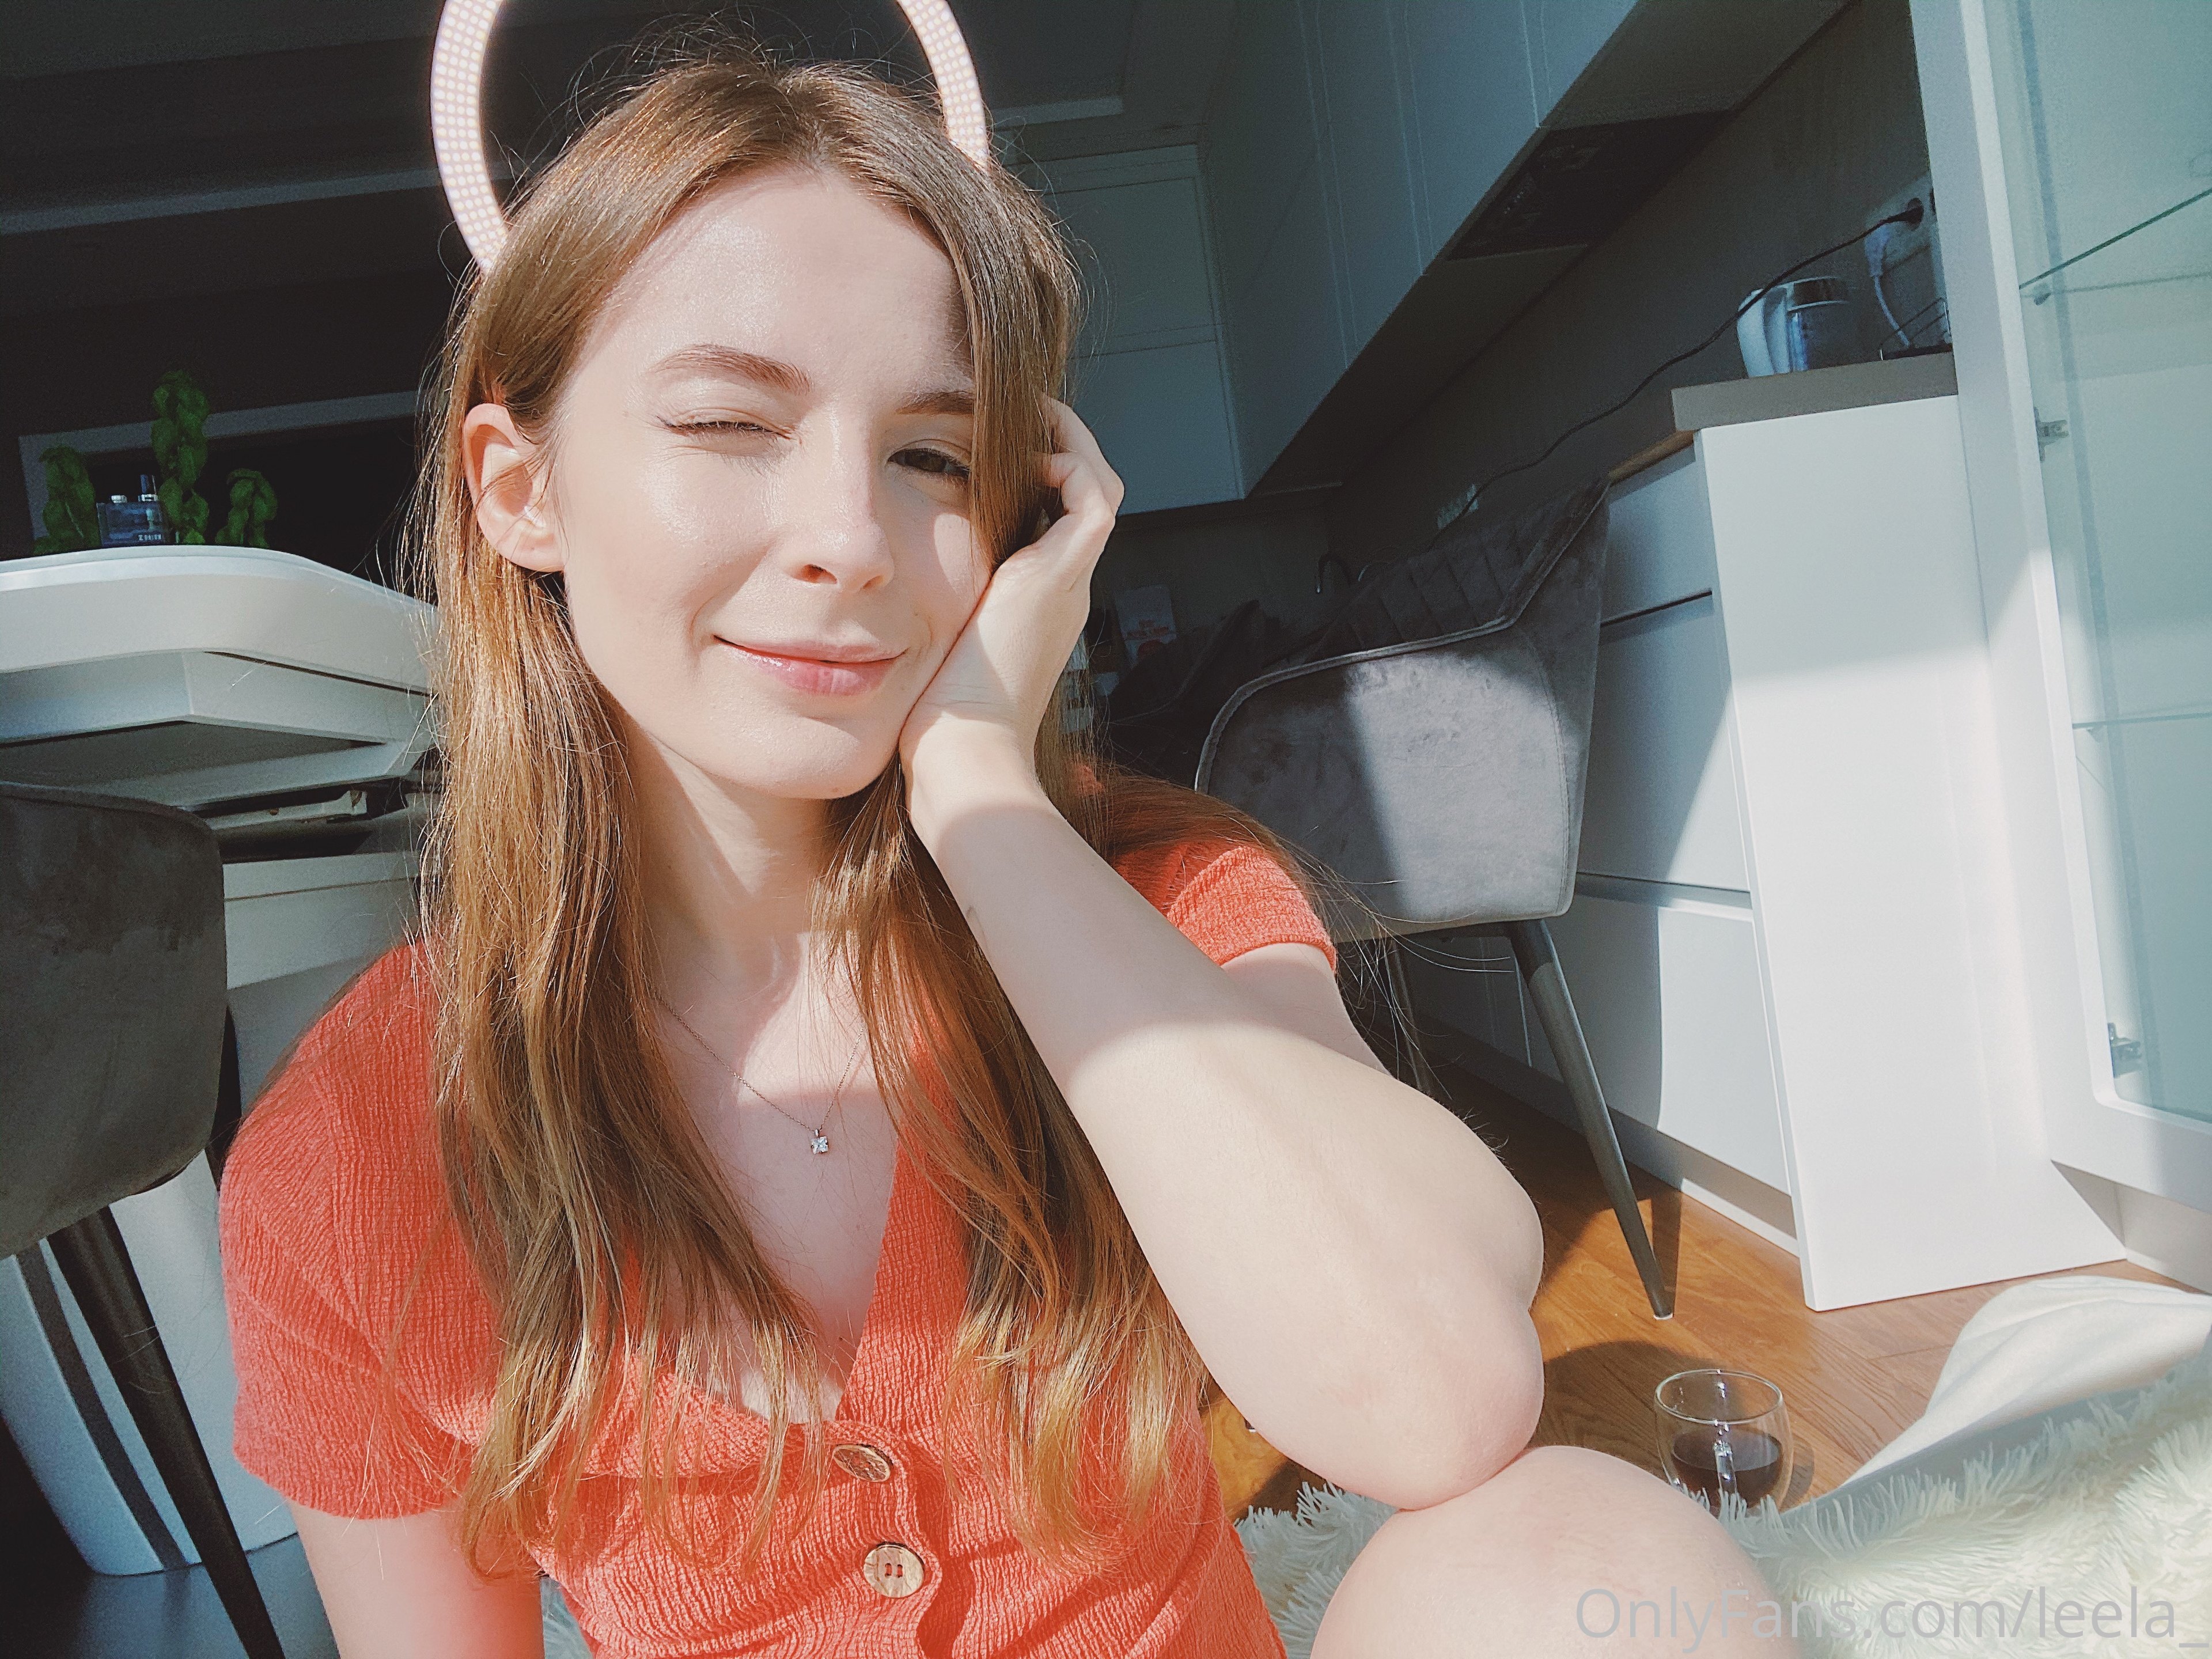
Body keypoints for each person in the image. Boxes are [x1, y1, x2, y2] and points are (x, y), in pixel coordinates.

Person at [217, 36, 1793, 1659]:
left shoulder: (1146, 903)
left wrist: (982, 791)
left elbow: (1437, 1398)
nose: (850, 539)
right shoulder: (351, 1153)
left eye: (931, 456)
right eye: (730, 422)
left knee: (1580, 1558)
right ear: (519, 489)